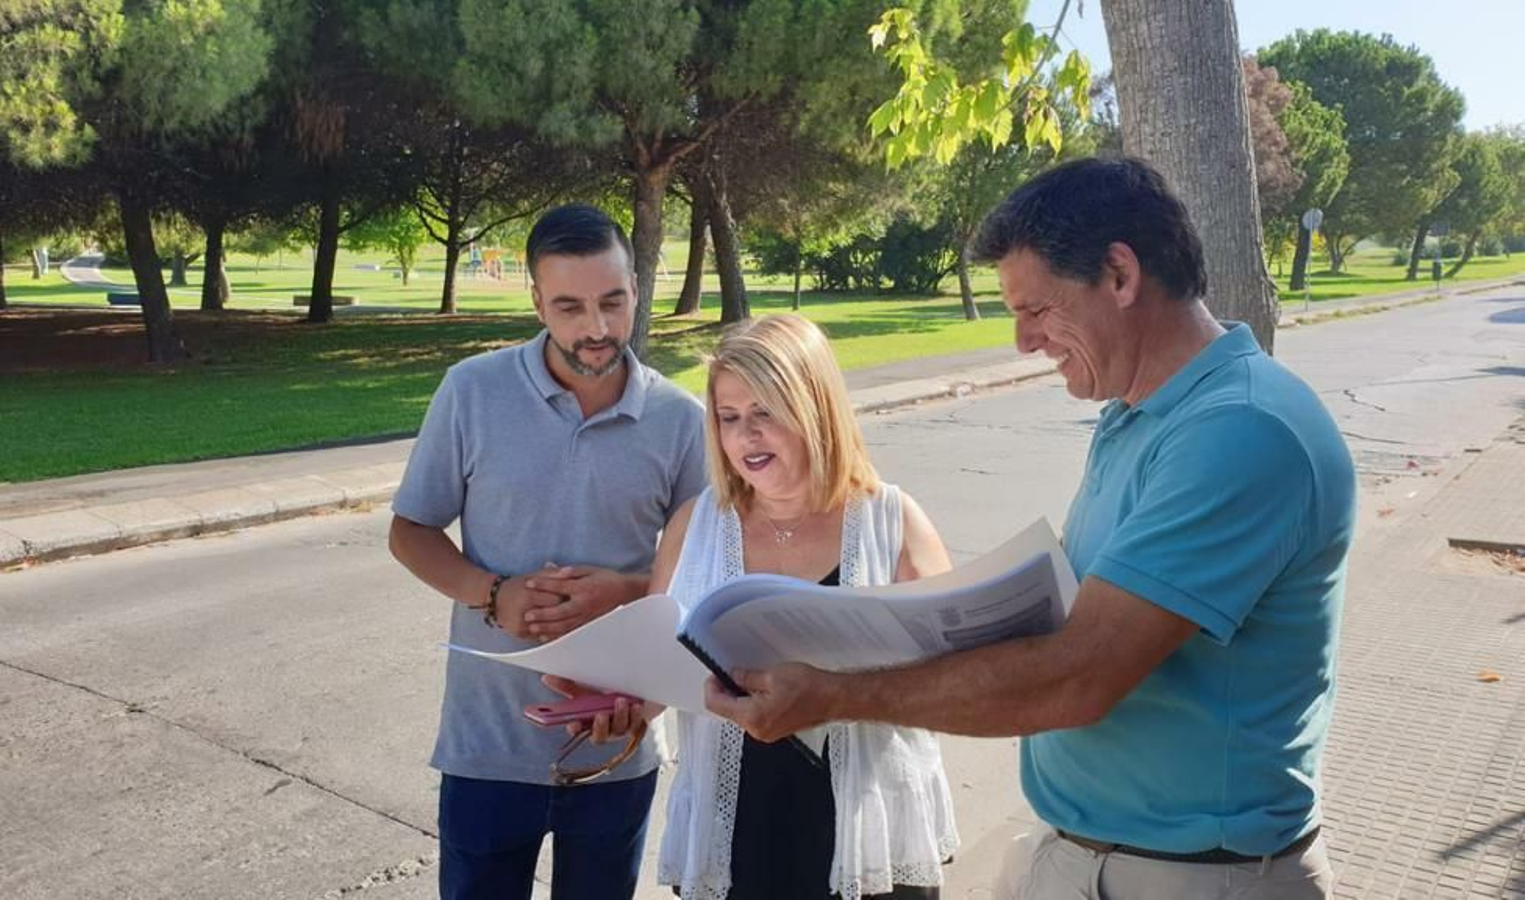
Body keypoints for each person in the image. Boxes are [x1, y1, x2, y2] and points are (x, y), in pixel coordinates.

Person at [702, 158, 1355, 899]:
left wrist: (832, 695)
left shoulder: (1239, 429)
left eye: (1037, 309)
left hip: (1197, 875)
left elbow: (1080, 676)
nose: (1022, 341)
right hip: (1092, 853)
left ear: (1119, 274)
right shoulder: (1139, 415)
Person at [568, 313, 960, 900]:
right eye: (729, 418)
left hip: (863, 828)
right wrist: (618, 707)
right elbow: (659, 671)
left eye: (766, 414)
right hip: (739, 832)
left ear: (816, 410)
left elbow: (960, 677)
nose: (746, 435)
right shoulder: (693, 527)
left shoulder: (891, 520)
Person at [388, 203, 707, 900]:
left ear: (635, 290)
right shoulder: (471, 391)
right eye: (569, 307)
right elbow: (409, 531)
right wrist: (494, 594)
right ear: (535, 300)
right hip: (486, 746)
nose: (596, 329)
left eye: (612, 302)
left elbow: (709, 576)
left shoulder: (682, 421)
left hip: (616, 747)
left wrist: (624, 593)